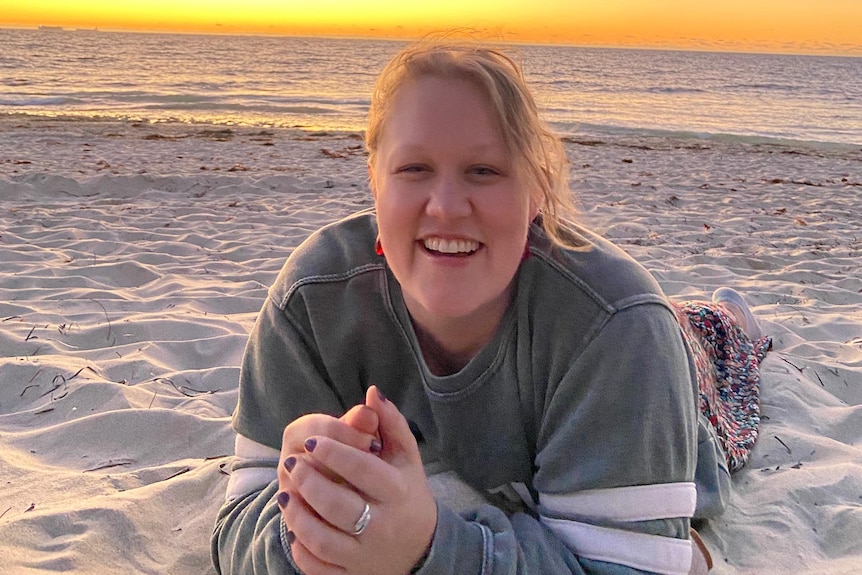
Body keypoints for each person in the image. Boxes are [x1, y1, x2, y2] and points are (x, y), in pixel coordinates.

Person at [211, 39, 771, 575]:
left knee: (715, 341)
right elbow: (239, 524)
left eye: (485, 171)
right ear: (374, 182)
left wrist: (423, 550)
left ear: (536, 193)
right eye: (413, 169)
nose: (447, 207)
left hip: (678, 375)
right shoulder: (312, 301)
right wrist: (305, 522)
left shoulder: (620, 329)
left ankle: (730, 313)